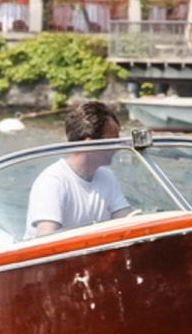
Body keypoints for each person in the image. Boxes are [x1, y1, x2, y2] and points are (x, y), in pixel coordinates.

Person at [24, 101, 131, 238]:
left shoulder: (107, 177)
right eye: (113, 140)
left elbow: (127, 220)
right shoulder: (53, 181)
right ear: (90, 144)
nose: (117, 147)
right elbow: (45, 238)